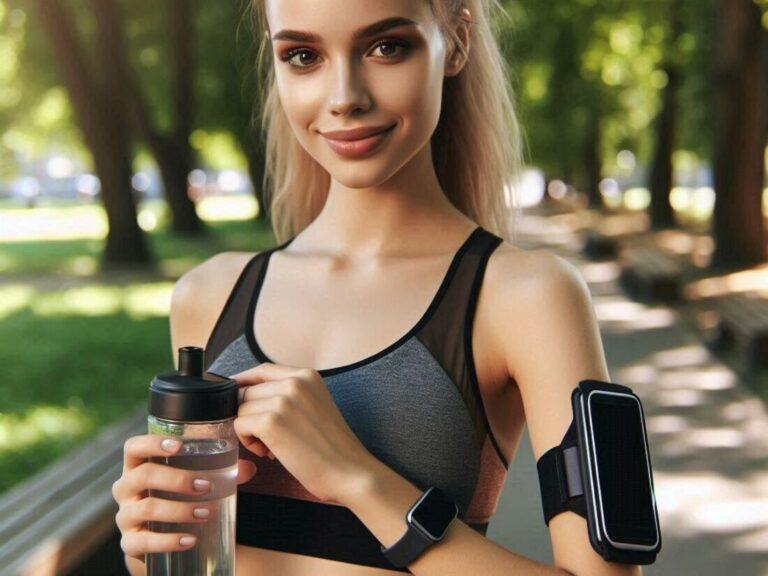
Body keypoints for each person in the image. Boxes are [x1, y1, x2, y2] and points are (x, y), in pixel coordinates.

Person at [112, 1, 639, 575]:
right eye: (303, 55)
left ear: (456, 42)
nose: (344, 97)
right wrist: (150, 545)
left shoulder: (527, 297)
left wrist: (355, 476)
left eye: (387, 47)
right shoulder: (207, 295)